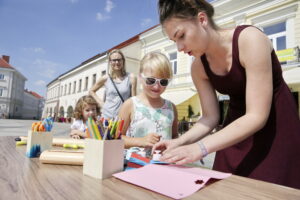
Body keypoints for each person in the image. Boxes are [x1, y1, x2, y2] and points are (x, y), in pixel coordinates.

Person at [153, 0, 300, 189]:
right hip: (233, 136)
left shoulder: (250, 39)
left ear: (202, 19)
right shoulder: (198, 67)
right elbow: (210, 117)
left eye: (181, 35)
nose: (180, 48)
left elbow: (257, 116)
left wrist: (200, 148)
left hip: (276, 132)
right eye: (175, 42)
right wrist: (179, 142)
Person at [118, 52, 178, 150]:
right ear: (140, 77)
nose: (156, 86)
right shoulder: (130, 105)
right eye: (151, 80)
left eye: (163, 82)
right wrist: (140, 141)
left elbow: (174, 136)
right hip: (136, 164)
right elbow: (115, 138)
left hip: (164, 163)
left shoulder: (171, 108)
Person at [89, 49, 137, 119]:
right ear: (110, 62)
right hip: (107, 117)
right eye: (114, 60)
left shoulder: (131, 77)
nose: (117, 62)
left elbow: (133, 101)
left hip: (123, 118)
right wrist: (102, 104)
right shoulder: (105, 78)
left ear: (123, 61)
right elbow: (91, 91)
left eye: (119, 59)